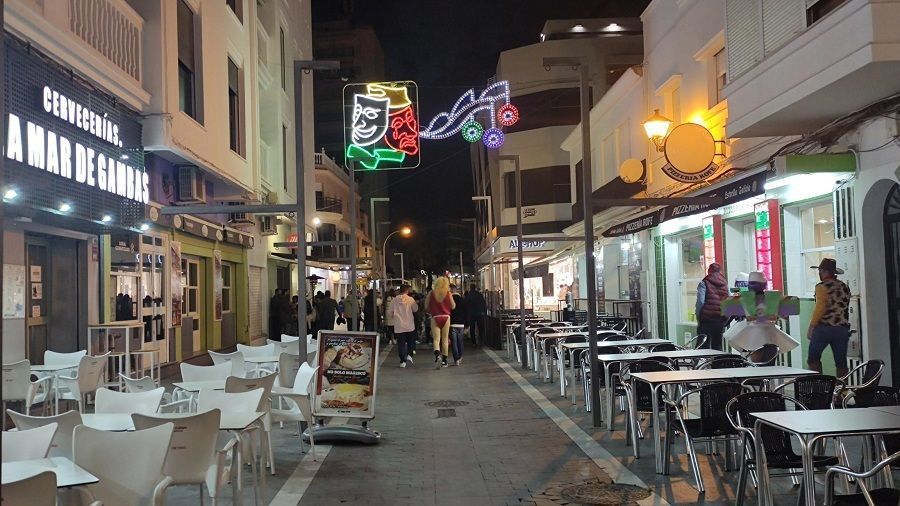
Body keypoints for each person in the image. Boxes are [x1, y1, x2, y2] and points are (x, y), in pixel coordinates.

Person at [722, 271, 800, 354]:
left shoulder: (743, 299)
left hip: (752, 335)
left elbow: (728, 311)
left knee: (754, 359)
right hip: (771, 334)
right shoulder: (774, 297)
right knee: (769, 358)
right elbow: (788, 313)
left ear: (749, 285)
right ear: (765, 284)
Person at [807, 258, 851, 377]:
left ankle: (819, 386)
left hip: (824, 328)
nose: (819, 273)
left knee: (813, 359)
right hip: (842, 329)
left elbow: (820, 308)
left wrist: (811, 327)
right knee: (841, 363)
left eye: (819, 271)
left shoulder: (821, 287)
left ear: (823, 271)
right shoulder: (845, 286)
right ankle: (842, 387)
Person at [695, 263, 729, 350]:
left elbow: (700, 302)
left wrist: (698, 317)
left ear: (709, 271)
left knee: (703, 346)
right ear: (720, 271)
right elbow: (729, 301)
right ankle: (717, 359)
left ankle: (703, 359)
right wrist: (726, 318)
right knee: (717, 346)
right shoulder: (725, 284)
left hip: (706, 320)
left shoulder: (704, 283)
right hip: (719, 320)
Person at [426, 276, 456, 368]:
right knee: (445, 339)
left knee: (436, 339)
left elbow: (426, 306)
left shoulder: (431, 293)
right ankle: (444, 361)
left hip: (435, 317)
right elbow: (453, 306)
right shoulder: (448, 293)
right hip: (446, 317)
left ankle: (437, 356)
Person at [390, 284, 418, 367]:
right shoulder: (411, 299)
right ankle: (409, 355)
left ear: (399, 291)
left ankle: (403, 361)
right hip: (409, 325)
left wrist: (393, 317)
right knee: (411, 341)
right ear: (407, 291)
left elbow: (390, 312)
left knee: (401, 344)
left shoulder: (394, 300)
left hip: (399, 325)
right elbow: (415, 309)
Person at [449, 284, 467, 365]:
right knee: (460, 341)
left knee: (454, 342)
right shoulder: (462, 300)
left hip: (452, 323)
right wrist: (467, 324)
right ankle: (460, 356)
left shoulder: (449, 300)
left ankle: (456, 359)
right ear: (456, 289)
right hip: (461, 324)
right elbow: (466, 312)